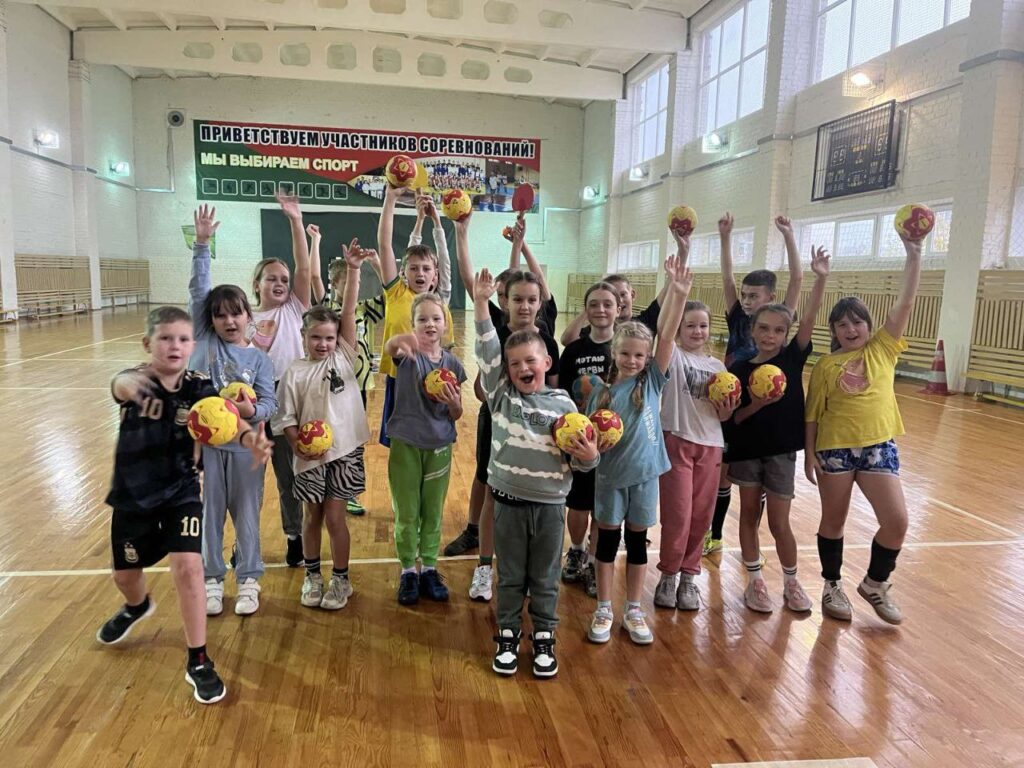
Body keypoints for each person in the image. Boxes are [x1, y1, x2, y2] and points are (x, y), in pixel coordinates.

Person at [97, 305, 271, 704]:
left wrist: (250, 439)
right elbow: (119, 384)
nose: (174, 346)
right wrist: (133, 387)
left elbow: (227, 420)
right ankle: (136, 605)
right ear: (148, 344)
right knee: (125, 576)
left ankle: (199, 660)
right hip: (133, 496)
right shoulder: (136, 379)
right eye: (165, 338)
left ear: (192, 346)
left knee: (189, 568)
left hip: (182, 492)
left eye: (182, 339)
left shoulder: (198, 387)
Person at [473, 266, 599, 677]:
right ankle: (508, 634)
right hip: (508, 506)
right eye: (514, 364)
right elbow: (487, 351)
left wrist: (590, 456)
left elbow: (581, 462)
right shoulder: (501, 396)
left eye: (531, 361)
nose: (523, 368)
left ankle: (544, 635)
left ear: (547, 361)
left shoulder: (564, 405)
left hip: (549, 509)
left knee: (545, 578)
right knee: (510, 577)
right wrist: (480, 304)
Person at [805, 234, 923, 625]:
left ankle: (875, 583)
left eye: (857, 322)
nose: (851, 328)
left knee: (897, 521)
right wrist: (809, 455)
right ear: (834, 331)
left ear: (870, 326)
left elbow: (905, 302)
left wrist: (914, 253)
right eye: (842, 324)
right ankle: (832, 585)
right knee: (833, 521)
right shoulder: (825, 366)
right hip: (834, 450)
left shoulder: (882, 349)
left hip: (878, 447)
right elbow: (812, 414)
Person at [585, 255, 688, 646]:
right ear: (614, 353)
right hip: (610, 478)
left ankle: (632, 608)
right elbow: (589, 442)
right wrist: (590, 453)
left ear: (646, 359)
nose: (632, 360)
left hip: (645, 478)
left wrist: (678, 292)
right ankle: (604, 607)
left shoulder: (652, 382)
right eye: (625, 353)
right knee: (607, 543)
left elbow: (667, 336)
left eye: (639, 355)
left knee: (638, 544)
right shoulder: (600, 393)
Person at [723, 245, 830, 614]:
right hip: (747, 451)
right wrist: (757, 403)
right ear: (752, 330)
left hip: (782, 451)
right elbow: (734, 419)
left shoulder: (792, 357)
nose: (770, 335)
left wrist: (820, 278)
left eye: (779, 330)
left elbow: (810, 316)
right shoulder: (739, 369)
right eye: (764, 329)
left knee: (779, 522)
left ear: (786, 334)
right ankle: (754, 581)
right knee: (749, 514)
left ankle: (791, 582)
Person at [188, 205, 278, 617]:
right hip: (208, 449)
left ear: (248, 316)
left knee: (247, 517)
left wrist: (251, 408)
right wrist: (202, 243)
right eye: (220, 315)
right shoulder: (206, 343)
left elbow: (271, 403)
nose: (228, 320)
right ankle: (211, 579)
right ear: (211, 321)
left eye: (235, 313)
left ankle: (248, 580)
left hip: (248, 448)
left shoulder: (259, 359)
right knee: (209, 516)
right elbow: (198, 291)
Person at [275, 242, 373, 611]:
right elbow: (285, 417)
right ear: (303, 337)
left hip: (344, 451)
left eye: (329, 337)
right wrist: (296, 443)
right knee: (311, 516)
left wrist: (354, 270)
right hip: (309, 456)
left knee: (335, 517)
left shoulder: (344, 356)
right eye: (315, 337)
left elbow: (347, 310)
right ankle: (313, 575)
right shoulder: (294, 372)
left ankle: (341, 579)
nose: (323, 343)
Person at [705, 213, 804, 557]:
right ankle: (715, 534)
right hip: (735, 406)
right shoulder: (737, 318)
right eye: (745, 295)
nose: (746, 301)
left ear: (771, 297)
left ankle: (752, 541)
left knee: (758, 487)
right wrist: (725, 237)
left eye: (753, 295)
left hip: (768, 416)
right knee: (723, 474)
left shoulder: (779, 317)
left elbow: (797, 280)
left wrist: (789, 236)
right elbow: (727, 277)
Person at [655, 268, 740, 611]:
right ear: (680, 329)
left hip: (711, 445)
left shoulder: (719, 367)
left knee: (702, 516)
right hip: (676, 440)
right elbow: (663, 334)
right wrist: (678, 294)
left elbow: (724, 417)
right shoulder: (673, 356)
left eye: (702, 325)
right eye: (689, 325)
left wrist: (727, 410)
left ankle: (689, 576)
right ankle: (668, 574)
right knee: (678, 514)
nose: (697, 331)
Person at [384, 292, 467, 605]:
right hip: (406, 444)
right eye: (422, 319)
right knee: (407, 511)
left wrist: (455, 404)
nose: (430, 324)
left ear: (445, 324)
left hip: (439, 445)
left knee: (433, 511)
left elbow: (456, 414)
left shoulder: (453, 365)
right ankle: (408, 570)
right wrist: (401, 340)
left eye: (436, 318)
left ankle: (429, 568)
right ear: (413, 324)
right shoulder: (407, 355)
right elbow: (391, 348)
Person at [249, 194, 313, 567]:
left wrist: (295, 220)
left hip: (290, 400)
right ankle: (246, 543)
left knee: (289, 479)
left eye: (284, 279)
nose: (279, 283)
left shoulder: (294, 308)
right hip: (253, 405)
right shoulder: (244, 318)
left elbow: (304, 268)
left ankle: (294, 537)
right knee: (250, 483)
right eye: (271, 278)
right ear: (256, 283)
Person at [309, 224, 385, 517]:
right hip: (328, 384)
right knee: (328, 432)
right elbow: (314, 276)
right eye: (346, 281)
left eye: (355, 280)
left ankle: (349, 490)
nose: (353, 285)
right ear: (335, 283)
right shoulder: (325, 308)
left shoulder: (364, 309)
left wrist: (377, 265)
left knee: (353, 437)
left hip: (358, 384)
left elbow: (391, 296)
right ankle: (325, 482)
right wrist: (316, 240)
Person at [377, 184, 455, 448]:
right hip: (401, 380)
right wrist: (390, 200)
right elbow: (385, 245)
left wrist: (436, 222)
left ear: (435, 275)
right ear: (404, 272)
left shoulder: (440, 300)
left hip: (434, 380)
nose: (420, 273)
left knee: (432, 437)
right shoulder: (397, 292)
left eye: (426, 269)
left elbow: (443, 259)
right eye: (413, 269)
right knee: (401, 442)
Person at [557, 281, 620, 598]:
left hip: (613, 444)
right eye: (594, 304)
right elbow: (559, 393)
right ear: (586, 309)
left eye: (607, 304)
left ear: (618, 309)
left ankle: (595, 561)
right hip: (581, 442)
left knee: (602, 504)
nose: (601, 310)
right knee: (578, 501)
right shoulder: (573, 351)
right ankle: (577, 550)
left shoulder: (623, 349)